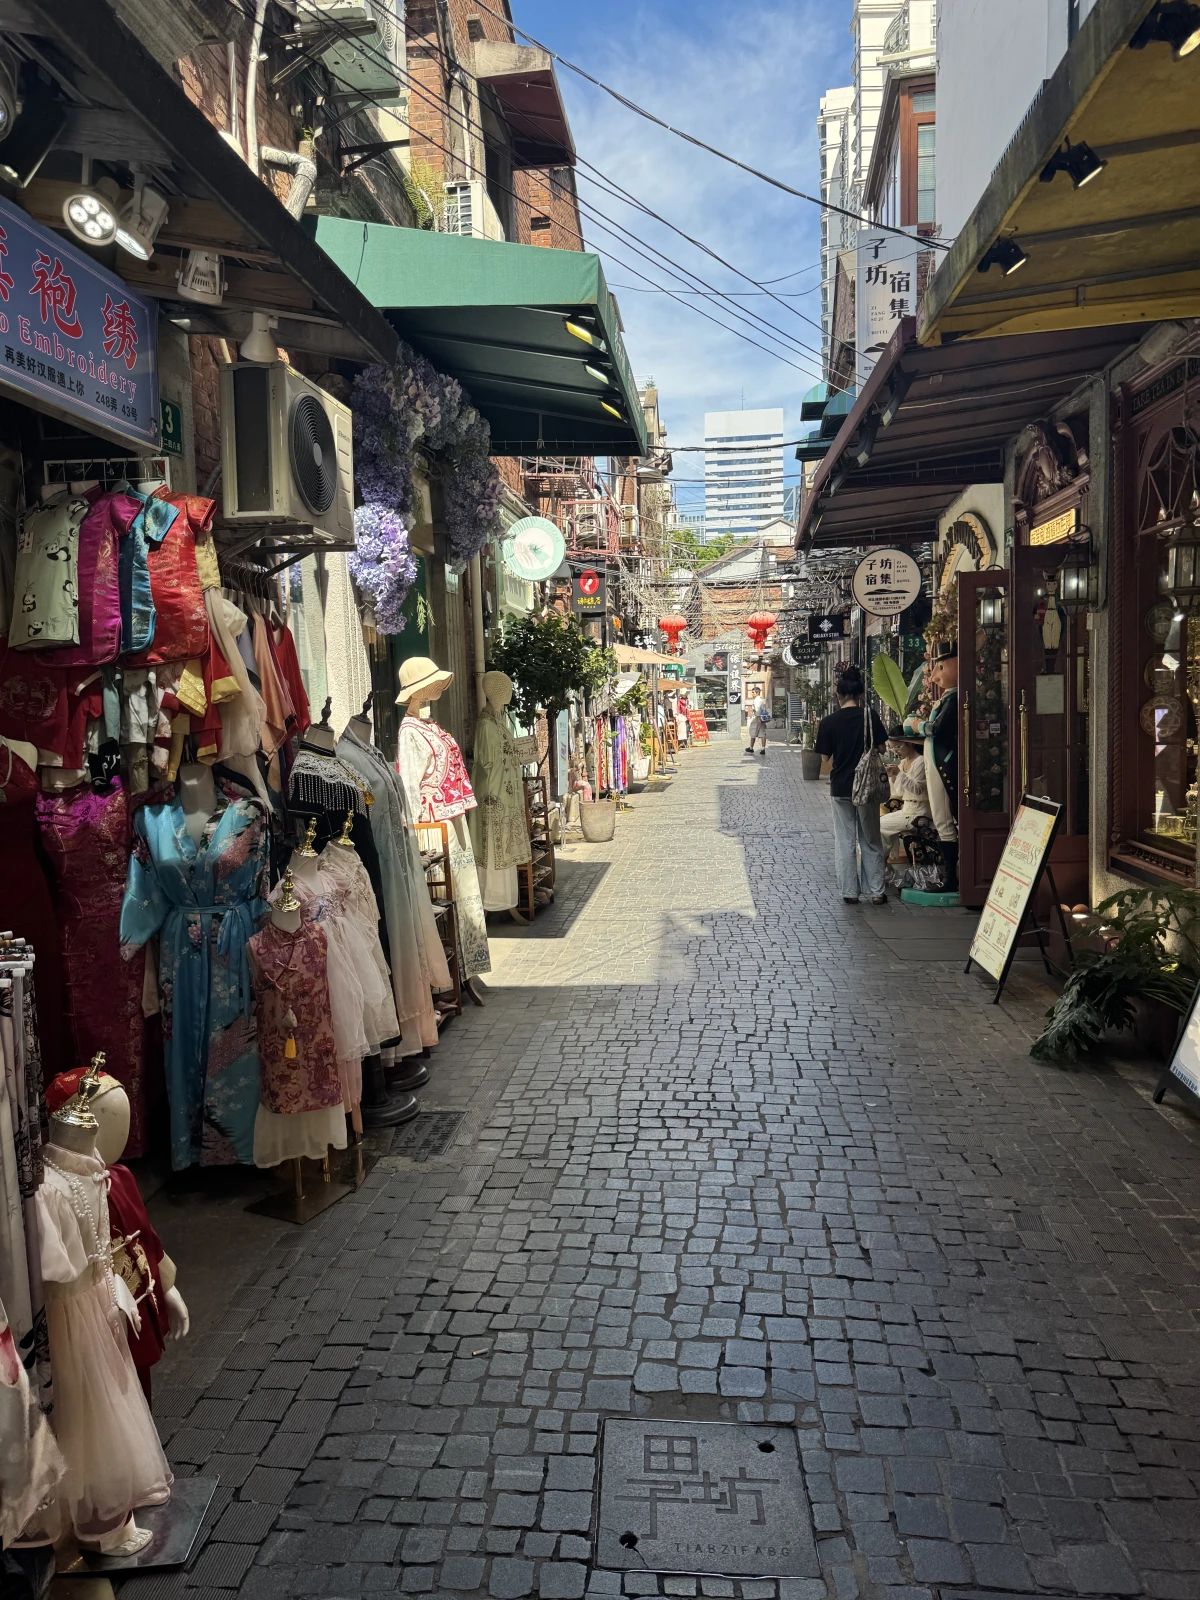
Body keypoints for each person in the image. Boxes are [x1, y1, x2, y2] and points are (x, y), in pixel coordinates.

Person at [814, 665, 889, 903]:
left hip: (840, 787)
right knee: (870, 838)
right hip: (867, 786)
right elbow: (882, 749)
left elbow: (825, 759)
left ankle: (849, 892)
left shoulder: (829, 722)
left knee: (845, 841)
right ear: (860, 694)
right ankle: (876, 892)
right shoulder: (870, 716)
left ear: (838, 695)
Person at [880, 734, 930, 856]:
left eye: (898, 747)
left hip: (919, 812)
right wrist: (892, 776)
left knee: (879, 825)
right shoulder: (902, 763)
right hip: (906, 809)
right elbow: (899, 792)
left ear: (909, 743)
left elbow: (917, 789)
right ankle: (884, 859)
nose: (895, 751)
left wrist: (900, 774)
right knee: (878, 822)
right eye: (892, 748)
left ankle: (881, 859)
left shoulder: (921, 762)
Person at [747, 689, 770, 755]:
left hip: (757, 718)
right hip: (762, 718)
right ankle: (763, 748)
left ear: (757, 693)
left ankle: (751, 748)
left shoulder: (757, 700)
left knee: (753, 733)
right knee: (762, 733)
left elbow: (757, 711)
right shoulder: (761, 700)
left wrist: (758, 719)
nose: (752, 694)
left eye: (753, 692)